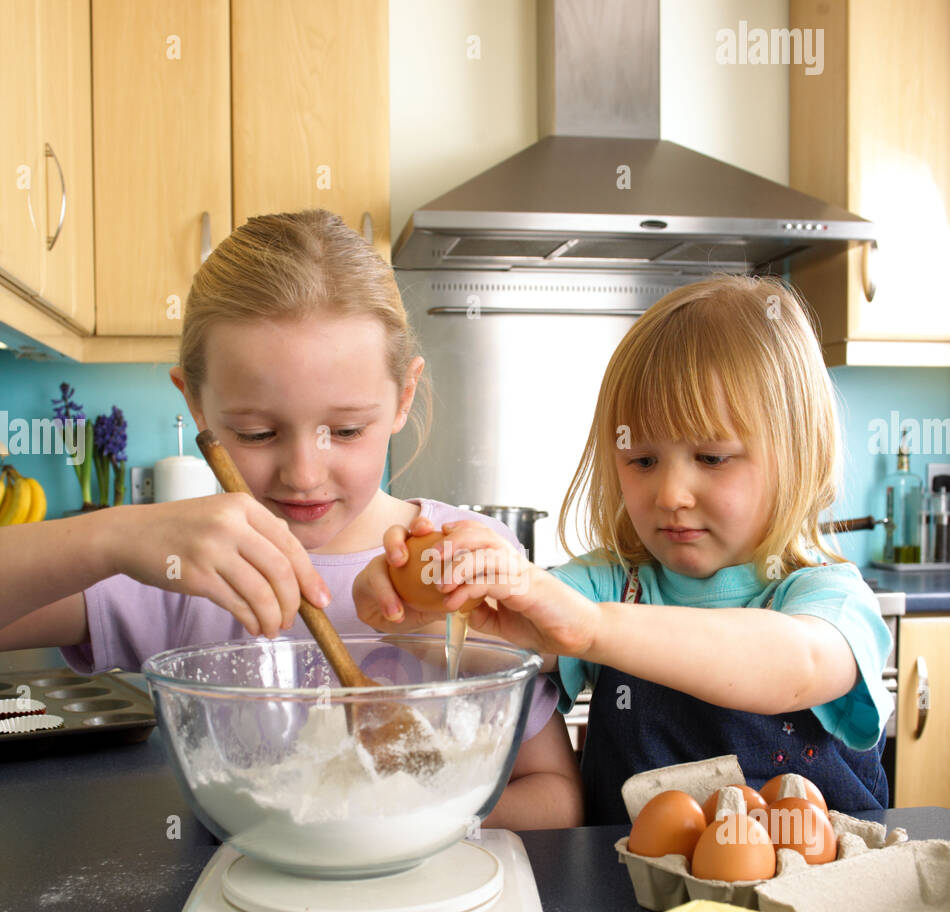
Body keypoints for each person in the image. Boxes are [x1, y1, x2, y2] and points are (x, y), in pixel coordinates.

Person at [0, 210, 582, 831]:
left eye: (347, 429)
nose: (303, 473)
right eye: (257, 432)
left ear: (404, 398)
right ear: (195, 402)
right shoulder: (176, 567)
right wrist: (112, 536)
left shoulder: (460, 558)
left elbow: (557, 797)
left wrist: (399, 817)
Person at [356, 275, 893, 826]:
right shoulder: (611, 585)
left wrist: (591, 630)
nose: (669, 495)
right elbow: (495, 646)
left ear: (799, 455)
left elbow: (797, 665)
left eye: (711, 458)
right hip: (628, 904)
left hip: (808, 903)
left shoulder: (829, 597)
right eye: (642, 460)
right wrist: (417, 614)